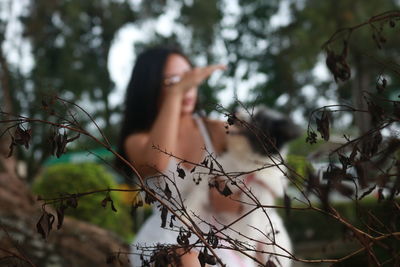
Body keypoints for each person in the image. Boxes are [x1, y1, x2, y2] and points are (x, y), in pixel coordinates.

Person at [117, 46, 250, 267]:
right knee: (184, 257)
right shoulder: (138, 140)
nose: (187, 87)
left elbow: (235, 201)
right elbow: (156, 162)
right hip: (164, 244)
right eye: (172, 81)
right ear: (149, 85)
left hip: (218, 244)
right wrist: (176, 94)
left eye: (189, 77)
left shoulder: (215, 130)